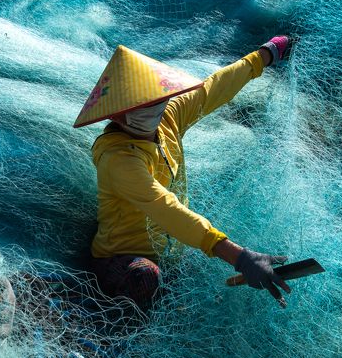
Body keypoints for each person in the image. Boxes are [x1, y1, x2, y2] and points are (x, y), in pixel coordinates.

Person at [74, 39, 295, 310]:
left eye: (157, 99)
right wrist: (240, 257)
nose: (157, 106)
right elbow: (165, 208)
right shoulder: (119, 159)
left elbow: (213, 89)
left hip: (170, 253)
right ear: (118, 116)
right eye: (143, 105)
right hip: (123, 261)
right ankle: (126, 335)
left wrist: (265, 55)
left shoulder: (169, 119)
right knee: (145, 276)